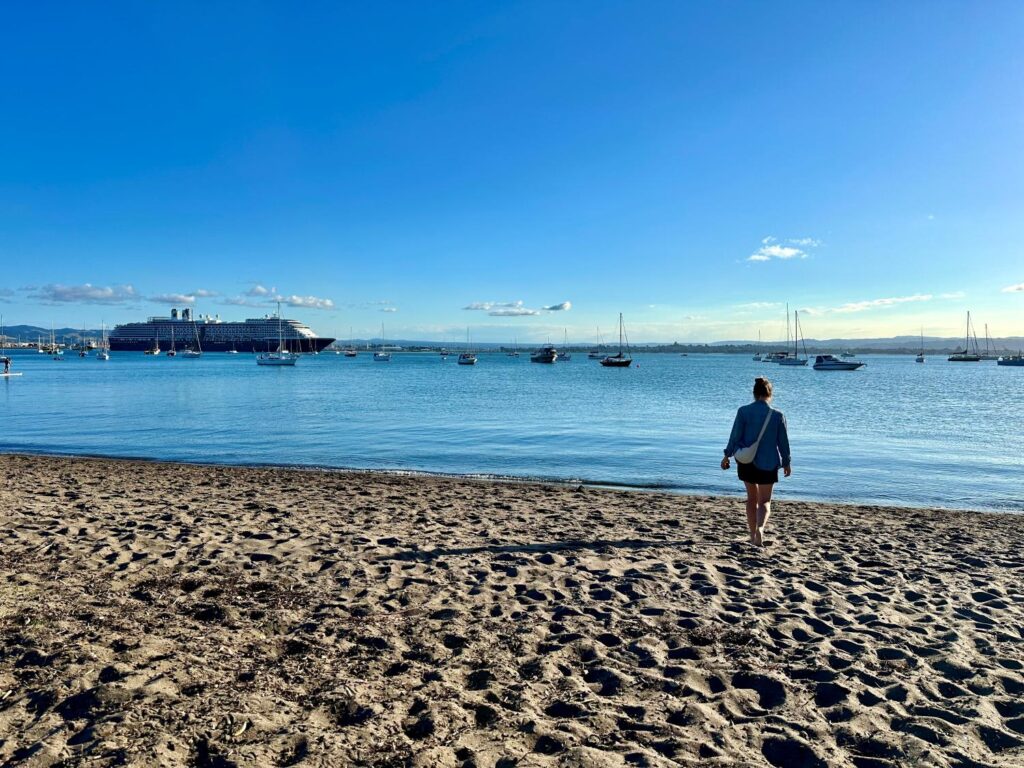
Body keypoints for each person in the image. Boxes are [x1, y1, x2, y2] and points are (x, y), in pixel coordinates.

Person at [721, 377, 791, 546]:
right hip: (768, 462)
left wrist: (727, 455)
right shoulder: (777, 415)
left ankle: (753, 535)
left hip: (747, 462)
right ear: (770, 394)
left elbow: (735, 436)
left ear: (754, 393)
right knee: (765, 501)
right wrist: (787, 462)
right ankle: (760, 529)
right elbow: (783, 442)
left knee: (751, 499)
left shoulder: (743, 411)